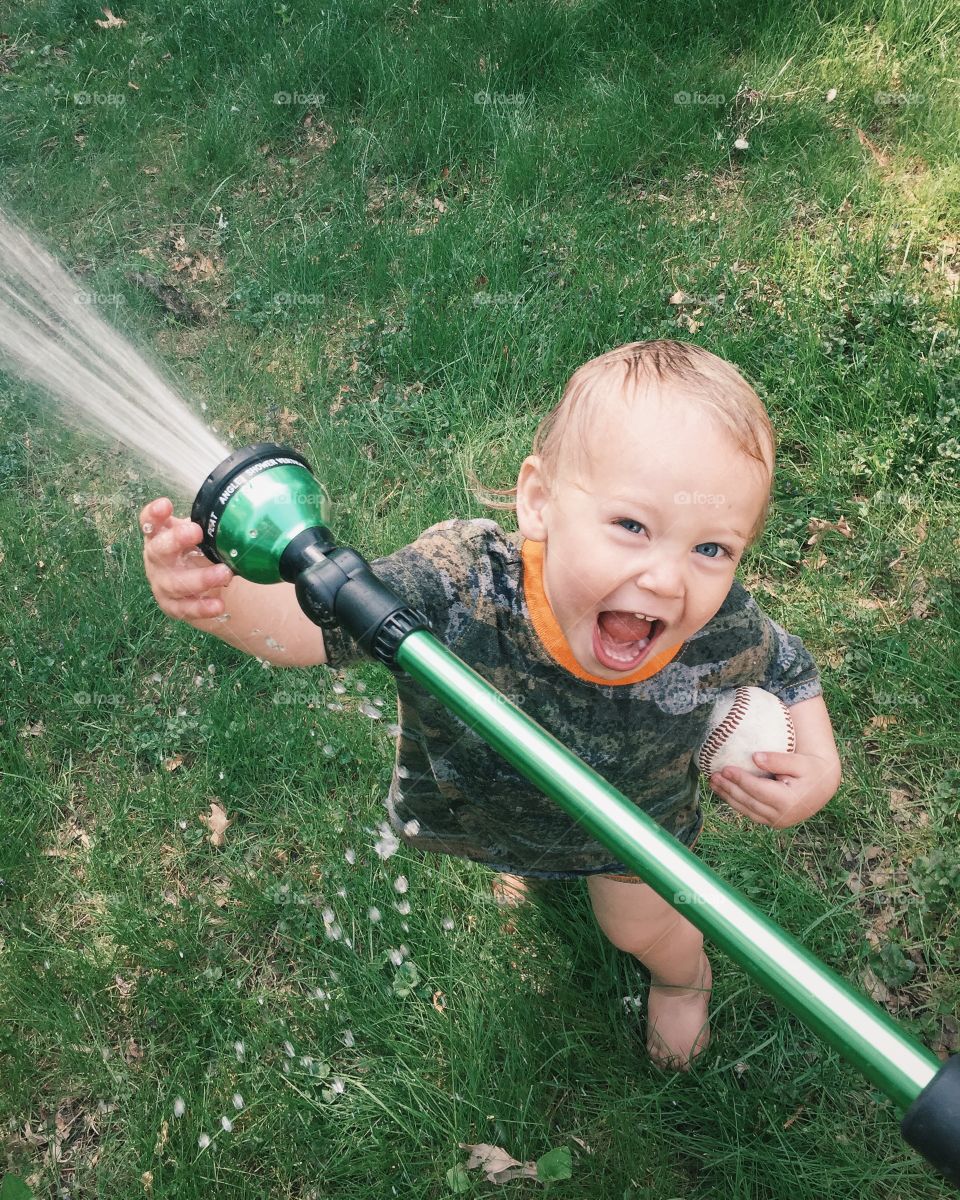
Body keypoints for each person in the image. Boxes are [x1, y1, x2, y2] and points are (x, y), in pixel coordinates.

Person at [140, 339, 842, 1071]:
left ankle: (681, 979)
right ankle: (536, 863)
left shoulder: (721, 626)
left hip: (637, 834)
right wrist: (219, 601)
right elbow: (310, 627)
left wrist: (820, 766)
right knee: (523, 849)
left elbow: (791, 669)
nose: (668, 579)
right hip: (494, 808)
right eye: (632, 527)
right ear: (539, 502)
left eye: (712, 549)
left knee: (641, 928)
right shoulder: (462, 583)